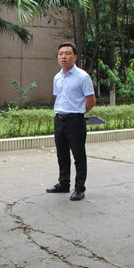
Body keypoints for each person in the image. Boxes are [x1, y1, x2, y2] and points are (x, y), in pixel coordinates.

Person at [46, 42, 96, 201]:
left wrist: (78, 113)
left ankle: (79, 188)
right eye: (61, 54)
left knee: (78, 155)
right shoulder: (57, 77)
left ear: (75, 57)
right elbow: (60, 98)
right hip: (59, 119)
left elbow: (91, 101)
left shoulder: (83, 76)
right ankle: (63, 183)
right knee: (62, 154)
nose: (63, 57)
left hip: (75, 120)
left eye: (67, 53)